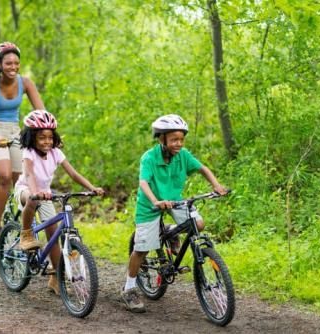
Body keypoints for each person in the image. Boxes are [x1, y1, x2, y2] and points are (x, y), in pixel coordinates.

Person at [121, 114, 227, 313]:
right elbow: (143, 183)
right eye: (174, 139)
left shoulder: (183, 155)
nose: (178, 143)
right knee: (142, 249)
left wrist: (216, 185)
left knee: (199, 224)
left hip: (175, 200)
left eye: (181, 139)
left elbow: (202, 168)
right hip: (150, 205)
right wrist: (155, 201)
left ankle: (170, 231)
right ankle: (128, 289)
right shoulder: (149, 157)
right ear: (162, 139)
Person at [14, 110, 105, 294]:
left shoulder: (55, 152)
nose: (47, 141)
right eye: (42, 138)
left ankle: (55, 277)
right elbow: (30, 174)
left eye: (49, 137)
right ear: (32, 137)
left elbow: (73, 173)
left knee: (53, 234)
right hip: (26, 189)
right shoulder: (28, 153)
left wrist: (91, 187)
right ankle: (26, 234)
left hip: (46, 194)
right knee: (32, 200)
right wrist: (35, 192)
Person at [0, 42, 45, 245]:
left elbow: (41, 111)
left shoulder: (25, 83)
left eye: (16, 63)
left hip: (15, 130)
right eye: (8, 63)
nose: (13, 67)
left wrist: (51, 136)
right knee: (5, 175)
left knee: (19, 179)